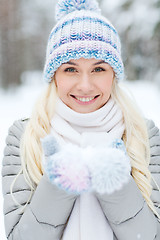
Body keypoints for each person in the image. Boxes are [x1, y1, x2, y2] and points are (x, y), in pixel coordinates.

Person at [2, 0, 160, 239]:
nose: (85, 86)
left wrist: (116, 186)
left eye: (98, 69)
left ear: (114, 75)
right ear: (54, 75)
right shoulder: (25, 136)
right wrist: (58, 185)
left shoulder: (143, 135)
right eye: (70, 69)